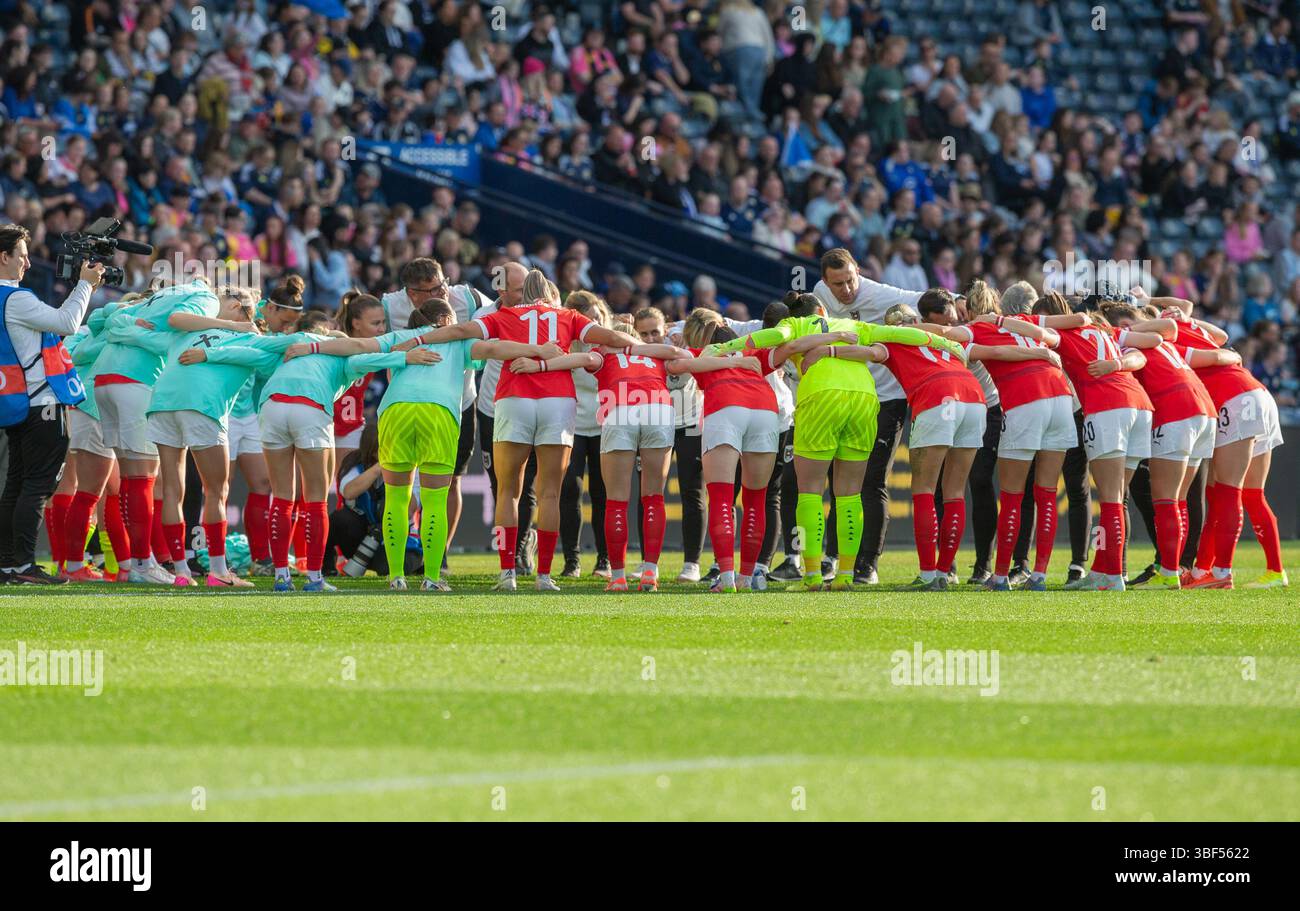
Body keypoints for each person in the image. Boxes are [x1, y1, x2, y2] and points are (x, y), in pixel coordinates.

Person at [705, 291, 962, 591]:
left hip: (821, 397)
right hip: (864, 400)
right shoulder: (854, 326)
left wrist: (725, 347)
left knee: (810, 493)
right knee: (850, 495)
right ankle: (845, 576)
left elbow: (771, 337)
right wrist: (947, 343)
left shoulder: (796, 326)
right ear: (823, 309)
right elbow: (899, 333)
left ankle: (812, 576)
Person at [406, 269, 635, 592]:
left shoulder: (506, 315)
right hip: (558, 402)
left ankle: (507, 574)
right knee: (550, 493)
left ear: (522, 292)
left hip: (514, 401)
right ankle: (543, 575)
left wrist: (415, 340)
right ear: (549, 293)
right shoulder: (568, 316)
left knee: (508, 491)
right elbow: (612, 338)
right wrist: (641, 349)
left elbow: (460, 330)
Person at [89, 278, 256, 585]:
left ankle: (132, 563)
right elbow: (173, 328)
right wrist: (233, 328)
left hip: (105, 380)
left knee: (131, 479)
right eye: (248, 315)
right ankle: (142, 563)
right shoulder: (204, 300)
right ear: (234, 305)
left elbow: (103, 317)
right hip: (139, 381)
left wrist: (126, 326)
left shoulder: (158, 298)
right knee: (143, 479)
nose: (247, 322)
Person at [934, 282, 1074, 591]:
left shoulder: (974, 328)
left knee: (1012, 496)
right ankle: (1038, 575)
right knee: (1046, 493)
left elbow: (947, 337)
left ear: (969, 309)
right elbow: (1054, 338)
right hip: (1061, 397)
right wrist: (1032, 344)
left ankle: (999, 577)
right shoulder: (1026, 322)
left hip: (1026, 399)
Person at [1151, 298, 1288, 589]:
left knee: (1227, 491)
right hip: (1256, 392)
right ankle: (1215, 571)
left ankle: (1222, 573)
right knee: (1244, 493)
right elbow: (1220, 337)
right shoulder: (1192, 329)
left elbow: (1213, 353)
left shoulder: (1166, 346)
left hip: (1233, 398)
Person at [538, 319, 684, 591]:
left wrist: (541, 364)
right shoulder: (656, 354)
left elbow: (579, 358)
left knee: (616, 501)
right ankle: (650, 572)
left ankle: (617, 576)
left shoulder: (603, 355)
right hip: (658, 408)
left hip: (621, 409)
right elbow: (680, 355)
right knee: (653, 497)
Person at [1025, 292, 1155, 591]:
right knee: (1116, 497)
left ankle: (1111, 576)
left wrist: (1008, 320)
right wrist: (1118, 364)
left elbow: (1034, 330)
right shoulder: (1103, 331)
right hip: (1140, 405)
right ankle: (1103, 568)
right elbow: (1146, 351)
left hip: (1108, 406)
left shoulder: (1064, 334)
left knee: (1109, 498)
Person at [812, 248, 923, 584]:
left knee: (872, 482)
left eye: (849, 280)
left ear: (858, 270)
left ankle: (868, 564)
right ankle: (832, 557)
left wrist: (963, 303)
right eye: (838, 284)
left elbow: (923, 298)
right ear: (826, 282)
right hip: (847, 398)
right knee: (839, 481)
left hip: (887, 400)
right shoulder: (819, 293)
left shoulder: (881, 294)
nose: (846, 289)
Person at [0, 224, 100, 585]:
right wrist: (86, 284)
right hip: (42, 401)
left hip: (14, 400)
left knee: (16, 484)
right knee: (37, 486)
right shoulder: (16, 298)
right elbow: (68, 322)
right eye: (23, 255)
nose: (28, 263)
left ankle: (9, 564)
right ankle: (25, 564)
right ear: (4, 257)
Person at [1102, 301, 1223, 589]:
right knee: (1179, 499)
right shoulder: (1167, 345)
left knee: (1166, 499)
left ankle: (1169, 571)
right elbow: (1216, 351)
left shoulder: (1127, 340)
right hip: (1205, 411)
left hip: (1176, 410)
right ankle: (1175, 567)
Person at [678, 310, 783, 593]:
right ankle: (746, 578)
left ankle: (725, 579)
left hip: (725, 407)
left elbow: (674, 365)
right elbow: (789, 348)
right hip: (765, 409)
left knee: (722, 499)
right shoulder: (753, 352)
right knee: (756, 499)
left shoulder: (701, 353)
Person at [636, 305, 706, 583]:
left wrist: (680, 333)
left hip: (689, 424)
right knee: (649, 493)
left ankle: (692, 563)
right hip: (653, 423)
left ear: (665, 329)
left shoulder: (680, 340)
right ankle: (647, 562)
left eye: (655, 332)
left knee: (692, 491)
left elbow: (701, 322)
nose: (651, 339)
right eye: (644, 334)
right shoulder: (634, 352)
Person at [558, 291, 610, 579]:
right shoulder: (565, 345)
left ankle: (605, 560)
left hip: (605, 424)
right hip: (573, 423)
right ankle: (572, 561)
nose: (596, 325)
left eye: (599, 318)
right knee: (570, 491)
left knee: (603, 494)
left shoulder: (613, 344)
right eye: (589, 320)